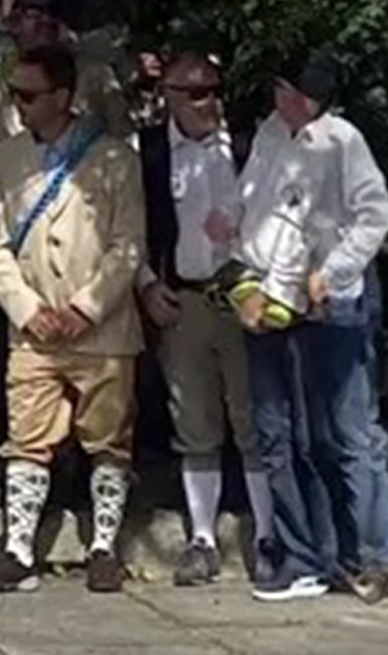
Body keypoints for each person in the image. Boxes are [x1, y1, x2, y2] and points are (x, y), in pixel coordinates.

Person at [0, 29, 147, 588]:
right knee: (28, 436)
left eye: (28, 95)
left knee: (108, 437)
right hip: (34, 329)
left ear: (62, 96)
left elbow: (128, 245)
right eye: (14, 94)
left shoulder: (114, 158)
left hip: (100, 329)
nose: (18, 104)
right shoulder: (1, 160)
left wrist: (86, 307)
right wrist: (26, 308)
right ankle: (18, 548)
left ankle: (103, 548)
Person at [240, 50, 388, 602]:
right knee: (299, 434)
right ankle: (322, 553)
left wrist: (333, 271)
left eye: (292, 93)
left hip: (332, 300)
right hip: (277, 295)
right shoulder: (269, 135)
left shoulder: (341, 140)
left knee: (349, 430)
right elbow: (259, 209)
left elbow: (374, 214)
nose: (282, 101)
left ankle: (377, 553)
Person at [139, 42, 257, 586]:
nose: (206, 102)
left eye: (212, 91)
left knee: (252, 419)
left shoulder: (249, 147)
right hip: (182, 298)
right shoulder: (149, 154)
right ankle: (203, 537)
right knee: (194, 421)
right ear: (169, 97)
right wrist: (146, 284)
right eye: (193, 93)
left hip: (241, 296)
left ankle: (269, 535)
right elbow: (126, 228)